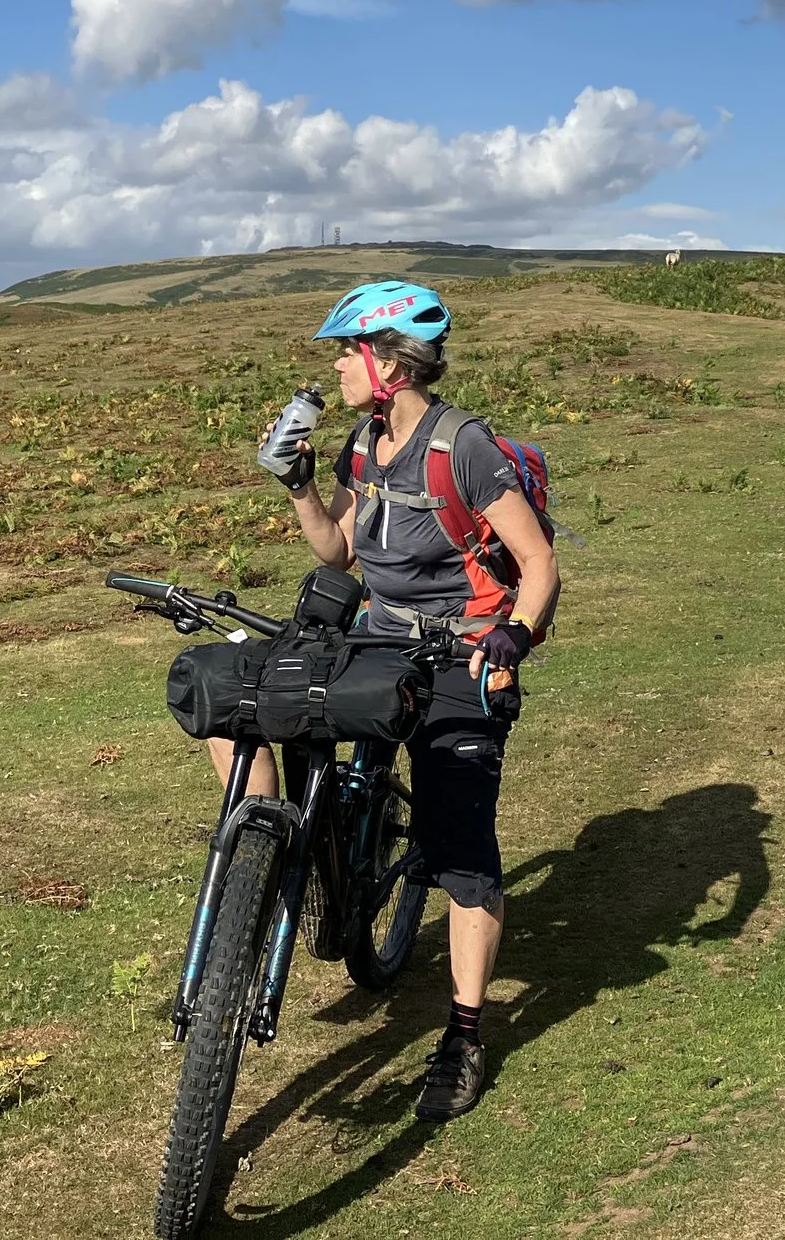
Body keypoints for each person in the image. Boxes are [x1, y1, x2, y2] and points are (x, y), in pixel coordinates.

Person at [253, 280, 559, 1121]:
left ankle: (465, 1032)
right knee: (264, 698)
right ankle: (285, 861)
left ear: (388, 362)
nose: (338, 367)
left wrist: (514, 636)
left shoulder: (463, 447)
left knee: (462, 847)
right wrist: (299, 484)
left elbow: (538, 565)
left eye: (347, 352)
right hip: (381, 633)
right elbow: (341, 550)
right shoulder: (363, 439)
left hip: (463, 647)